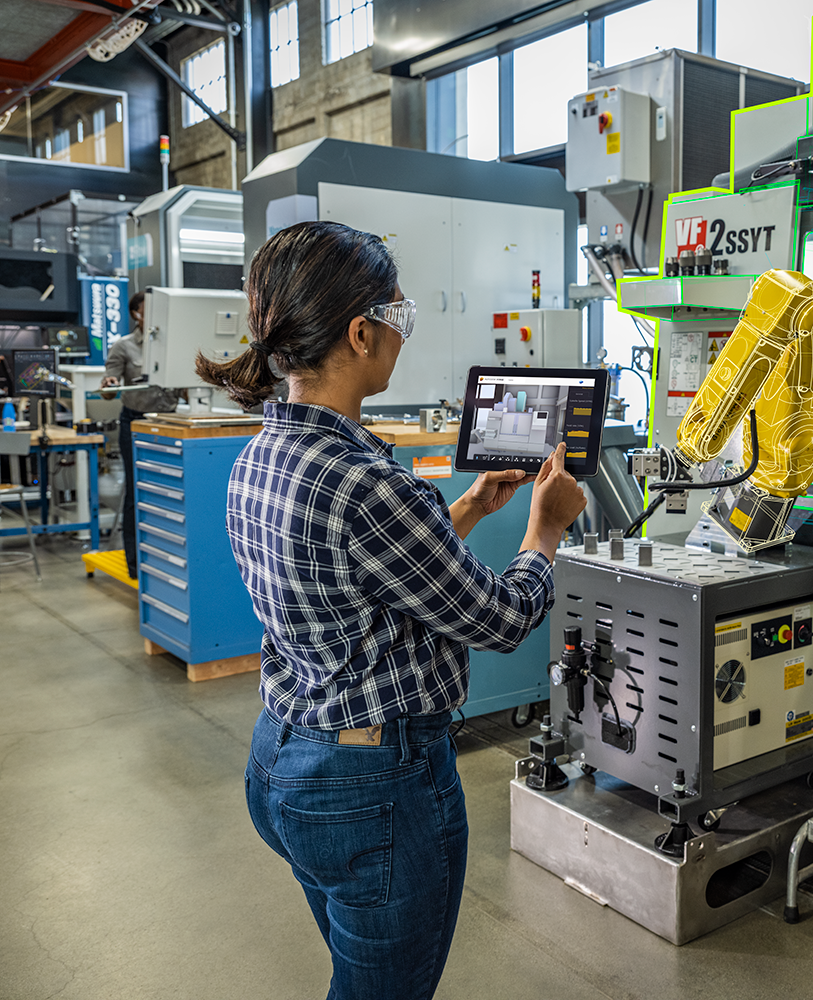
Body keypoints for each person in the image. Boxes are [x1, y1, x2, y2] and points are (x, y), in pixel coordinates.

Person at [194, 220, 585, 1000]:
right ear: (360, 333)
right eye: (398, 314)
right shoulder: (370, 484)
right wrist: (544, 532)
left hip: (283, 761)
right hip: (374, 788)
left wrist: (464, 509)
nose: (403, 332)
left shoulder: (257, 457)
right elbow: (502, 619)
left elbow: (360, 575)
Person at [100, 291, 184, 579]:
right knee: (137, 491)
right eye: (151, 309)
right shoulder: (123, 346)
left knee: (169, 492)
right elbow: (108, 390)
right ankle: (135, 565)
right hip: (135, 424)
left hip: (169, 422)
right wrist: (109, 384)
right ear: (137, 314)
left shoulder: (172, 344)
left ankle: (165, 558)